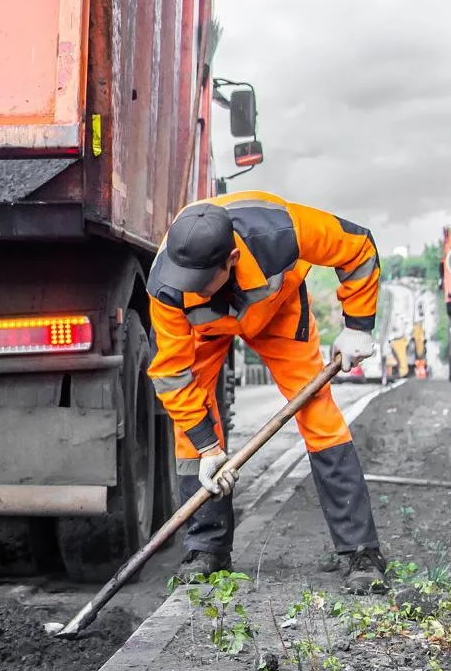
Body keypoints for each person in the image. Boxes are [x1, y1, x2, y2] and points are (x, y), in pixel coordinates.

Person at [145, 192, 390, 594]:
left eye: (200, 281)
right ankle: (206, 547)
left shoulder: (280, 230)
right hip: (205, 331)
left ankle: (360, 552)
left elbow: (358, 246)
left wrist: (358, 325)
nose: (193, 289)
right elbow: (171, 373)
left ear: (231, 260)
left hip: (278, 312)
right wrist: (208, 448)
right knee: (191, 431)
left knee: (319, 417)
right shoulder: (167, 284)